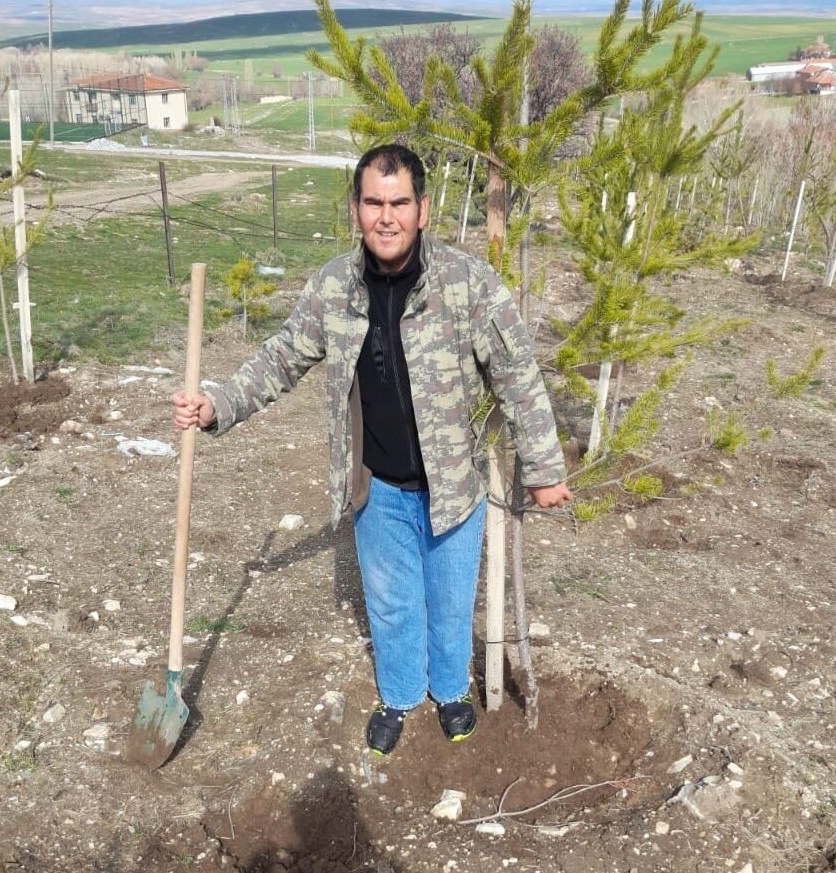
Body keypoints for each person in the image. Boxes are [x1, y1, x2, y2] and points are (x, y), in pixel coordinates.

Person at [173, 144, 571, 756]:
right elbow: (283, 355)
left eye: (400, 203)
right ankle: (401, 695)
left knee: (448, 597)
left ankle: (452, 690)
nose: (387, 217)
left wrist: (543, 469)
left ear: (423, 210)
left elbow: (518, 376)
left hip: (453, 484)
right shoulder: (334, 287)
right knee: (390, 603)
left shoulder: (467, 284)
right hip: (375, 485)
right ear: (356, 210)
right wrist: (218, 405)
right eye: (374, 203)